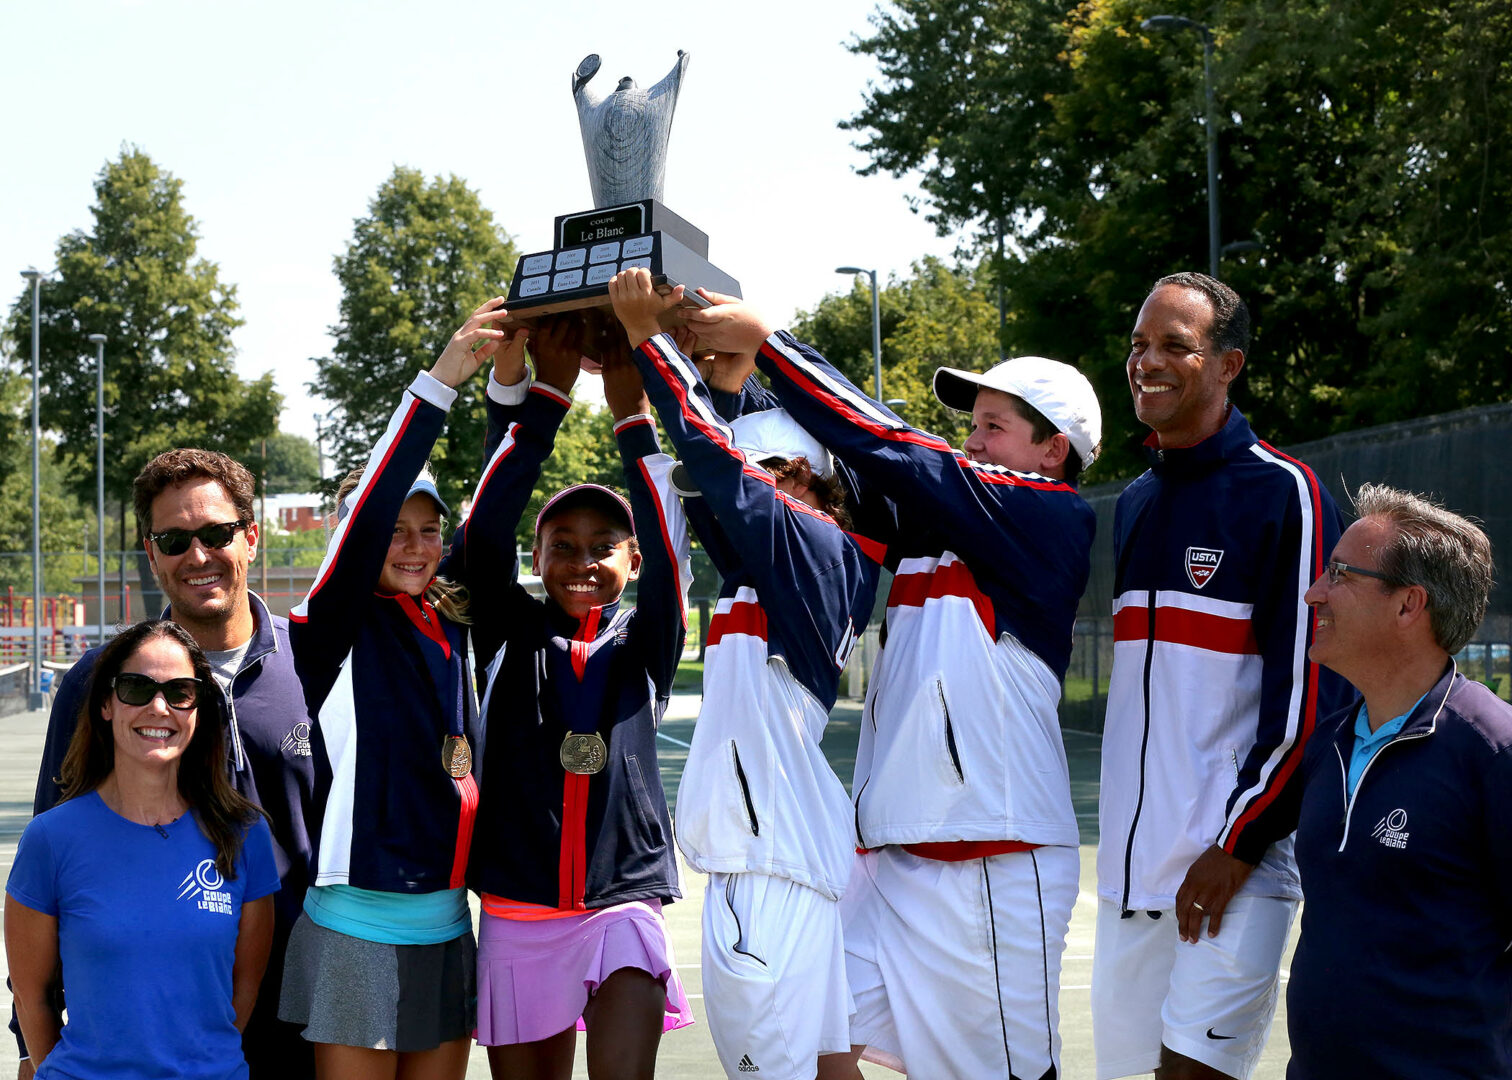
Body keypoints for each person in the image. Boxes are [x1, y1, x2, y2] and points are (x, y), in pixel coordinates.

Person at [681, 286, 1102, 1080]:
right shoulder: (934, 525)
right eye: (970, 423)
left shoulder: (1048, 516)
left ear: (1053, 450)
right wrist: (730, 384)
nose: (969, 439)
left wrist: (770, 339)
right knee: (812, 1026)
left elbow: (892, 445)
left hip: (988, 866)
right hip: (897, 865)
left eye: (993, 425)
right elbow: (811, 480)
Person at [609, 268, 886, 1080]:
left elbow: (711, 462)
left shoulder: (814, 545)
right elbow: (704, 488)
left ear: (810, 484)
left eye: (772, 474)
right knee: (830, 1067)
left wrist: (647, 340)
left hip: (768, 871)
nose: (751, 489)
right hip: (788, 863)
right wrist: (702, 383)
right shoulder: (795, 559)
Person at [1092, 272, 1349, 1080]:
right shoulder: (1133, 500)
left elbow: (1316, 695)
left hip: (1232, 871)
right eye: (1140, 344)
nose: (1148, 362)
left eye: (1176, 345)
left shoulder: (1286, 493)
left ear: (1229, 364)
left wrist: (1239, 842)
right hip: (1127, 888)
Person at [15, 448, 317, 1080]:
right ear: (151, 553)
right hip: (156, 1030)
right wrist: (30, 1045)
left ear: (251, 537)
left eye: (215, 534)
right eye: (174, 539)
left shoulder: (317, 665)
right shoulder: (100, 682)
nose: (197, 555)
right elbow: (56, 853)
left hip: (305, 1011)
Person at [278, 298, 522, 1079]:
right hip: (356, 926)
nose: (414, 546)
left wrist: (513, 386)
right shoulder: (332, 623)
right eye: (392, 529)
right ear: (355, 537)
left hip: (450, 926)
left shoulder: (447, 617)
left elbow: (497, 500)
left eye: (429, 529)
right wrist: (445, 377)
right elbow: (377, 503)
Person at [462, 317, 694, 1079]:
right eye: (563, 545)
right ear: (537, 555)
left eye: (604, 546)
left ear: (631, 558)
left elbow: (669, 540)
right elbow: (481, 537)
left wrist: (632, 416)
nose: (583, 560)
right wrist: (547, 397)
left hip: (620, 905)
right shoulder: (505, 631)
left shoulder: (650, 639)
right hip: (519, 909)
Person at [1283, 485, 1509, 1079]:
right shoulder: (1327, 744)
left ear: (1409, 605)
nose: (1314, 593)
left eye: (1339, 574)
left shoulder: (1491, 749)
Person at [5, 618, 280, 1079]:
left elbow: (245, 988)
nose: (159, 707)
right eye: (136, 687)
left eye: (179, 692)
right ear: (107, 704)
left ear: (197, 709)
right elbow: (32, 996)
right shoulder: (51, 839)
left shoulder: (243, 834)